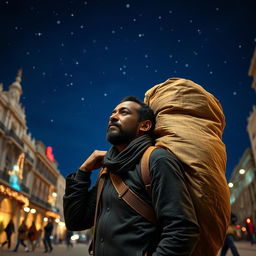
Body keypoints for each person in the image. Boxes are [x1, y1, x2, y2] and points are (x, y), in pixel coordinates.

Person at [64, 96, 200, 256]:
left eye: (124, 112)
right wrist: (83, 172)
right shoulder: (108, 170)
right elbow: (76, 221)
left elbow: (182, 230)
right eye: (113, 112)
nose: (113, 116)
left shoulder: (156, 160)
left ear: (144, 125)